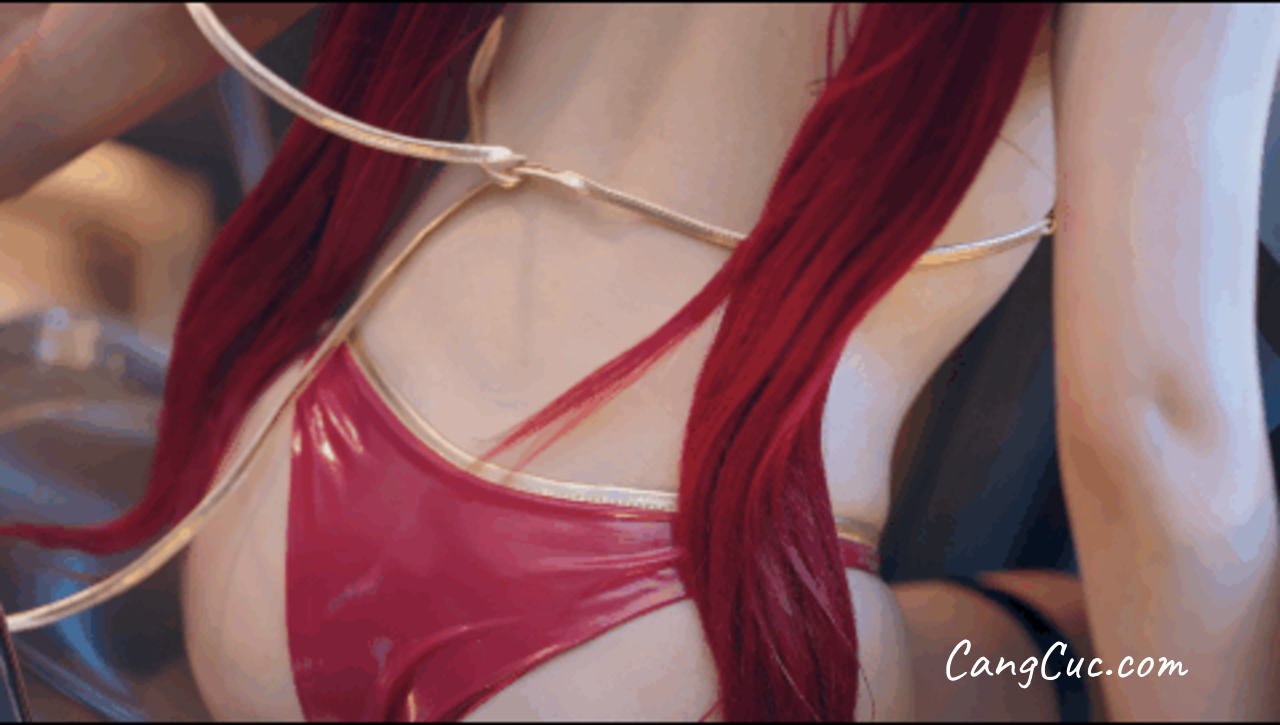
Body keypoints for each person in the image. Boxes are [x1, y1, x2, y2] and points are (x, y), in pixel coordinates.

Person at [0, 3, 1277, 721]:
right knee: (1059, 649)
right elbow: (1157, 423)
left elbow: (154, 26)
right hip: (646, 652)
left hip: (282, 512)